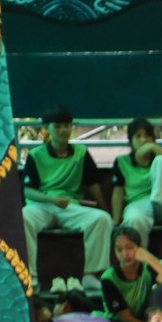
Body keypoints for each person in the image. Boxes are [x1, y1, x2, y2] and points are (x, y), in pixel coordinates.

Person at [21, 106, 113, 273]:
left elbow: (94, 185)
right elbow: (28, 191)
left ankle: (92, 275)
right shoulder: (35, 155)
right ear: (46, 128)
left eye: (67, 125)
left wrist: (106, 210)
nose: (63, 130)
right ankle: (30, 278)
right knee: (23, 218)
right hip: (41, 206)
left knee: (102, 219)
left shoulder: (82, 153)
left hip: (70, 207)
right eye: (57, 126)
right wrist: (52, 199)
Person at [110, 117, 162, 239]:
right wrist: (115, 220)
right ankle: (140, 257)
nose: (144, 140)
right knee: (134, 219)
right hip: (138, 205)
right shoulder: (121, 162)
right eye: (138, 136)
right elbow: (118, 193)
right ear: (130, 140)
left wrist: (154, 148)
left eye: (147, 136)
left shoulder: (160, 157)